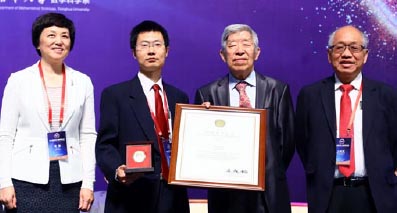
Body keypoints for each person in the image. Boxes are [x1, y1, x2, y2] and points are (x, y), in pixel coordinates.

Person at [0, 13, 96, 212]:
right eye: (51, 35)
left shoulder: (82, 82)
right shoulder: (18, 80)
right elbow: (5, 135)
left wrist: (88, 182)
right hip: (25, 178)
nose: (59, 41)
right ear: (38, 42)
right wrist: (3, 181)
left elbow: (87, 136)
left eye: (65, 36)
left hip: (69, 179)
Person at [295, 25, 397, 213]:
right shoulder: (310, 95)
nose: (347, 54)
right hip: (328, 195)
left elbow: (394, 142)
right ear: (329, 55)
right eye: (339, 47)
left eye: (354, 48)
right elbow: (303, 143)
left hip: (375, 195)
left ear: (365, 55)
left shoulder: (385, 95)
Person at [195, 24, 295, 213]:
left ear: (257, 52)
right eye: (232, 46)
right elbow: (202, 146)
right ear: (223, 55)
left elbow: (286, 144)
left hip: (268, 195)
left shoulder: (278, 89)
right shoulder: (207, 93)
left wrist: (265, 171)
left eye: (246, 44)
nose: (240, 51)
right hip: (226, 195)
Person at [95, 20, 190, 213]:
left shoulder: (179, 97)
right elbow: (105, 145)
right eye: (144, 45)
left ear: (167, 51)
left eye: (157, 45)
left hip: (173, 197)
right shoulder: (115, 95)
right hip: (132, 196)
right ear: (134, 53)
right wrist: (116, 169)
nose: (151, 51)